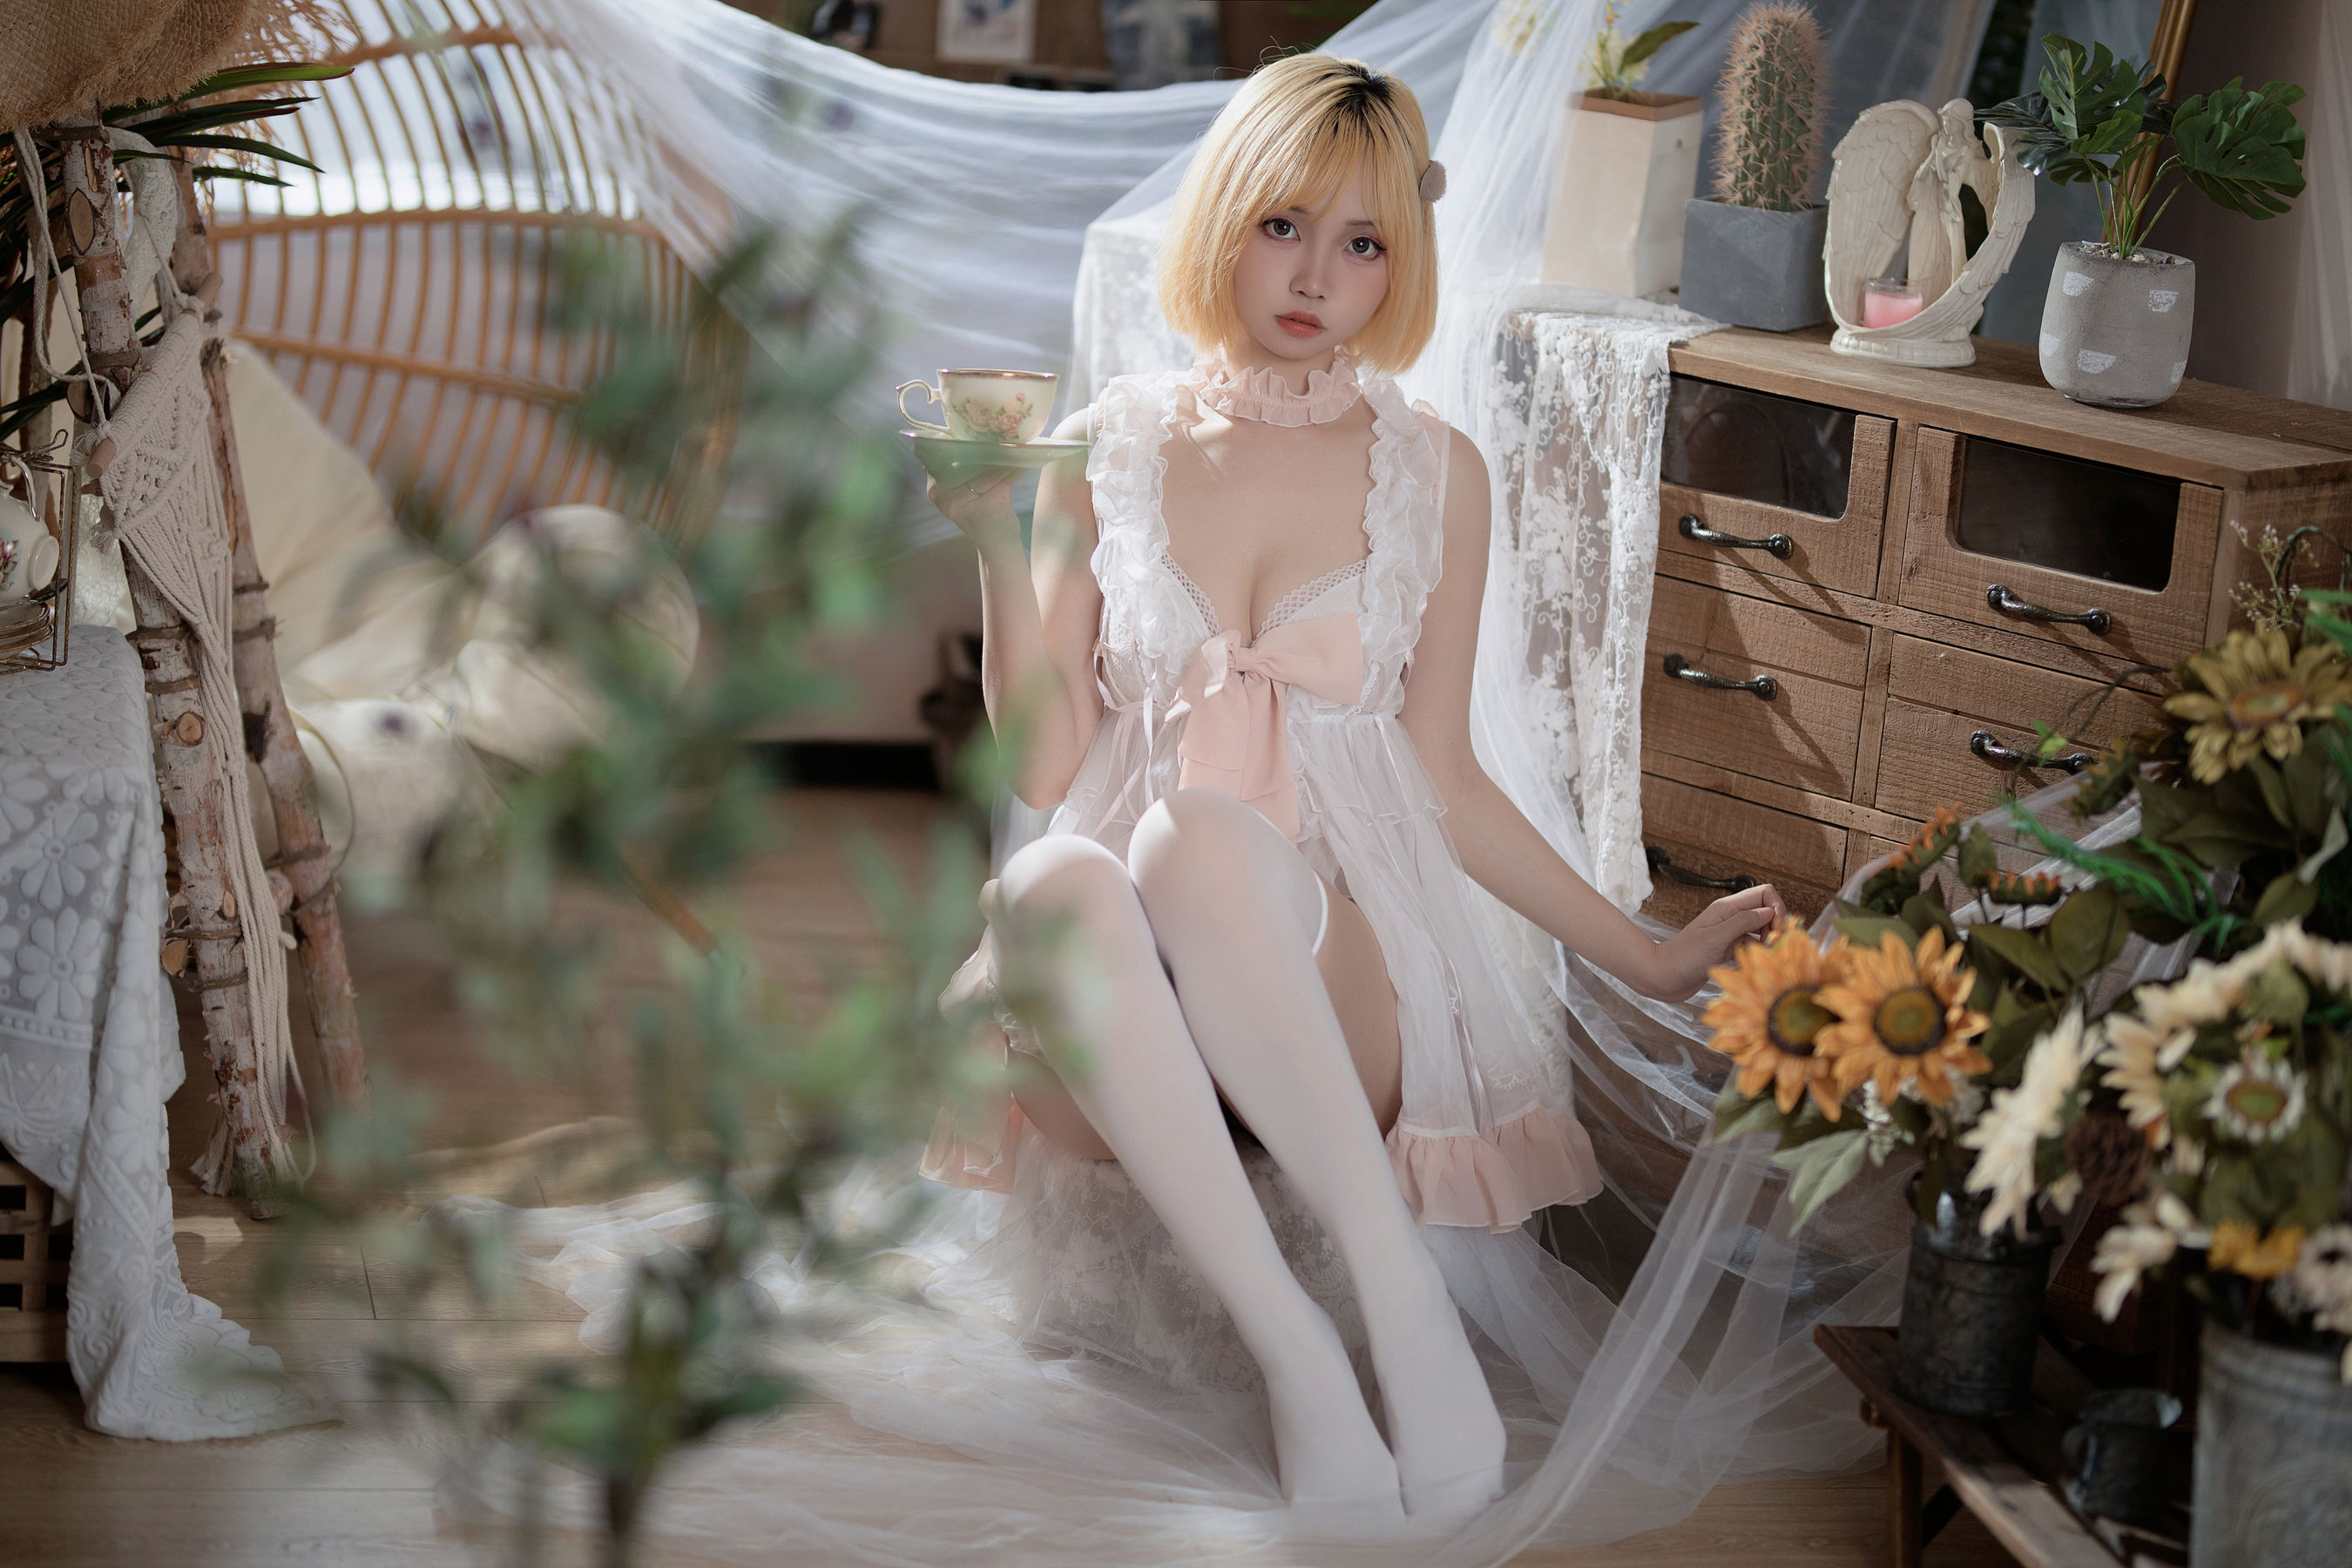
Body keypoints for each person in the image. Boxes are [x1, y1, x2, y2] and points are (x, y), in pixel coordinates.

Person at [916, 52, 1784, 1531]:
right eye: (1283, 226)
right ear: (1224, 221)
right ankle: (1301, 1354)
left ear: (1404, 259)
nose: (1317, 276)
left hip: (1332, 986)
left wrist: (1642, 956)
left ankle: (1403, 1310)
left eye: (1364, 241)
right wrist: (993, 535)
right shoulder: (1109, 447)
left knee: (1197, 840)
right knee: (1055, 874)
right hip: (1112, 1011)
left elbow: (1446, 779)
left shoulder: (1434, 470)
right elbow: (1046, 769)